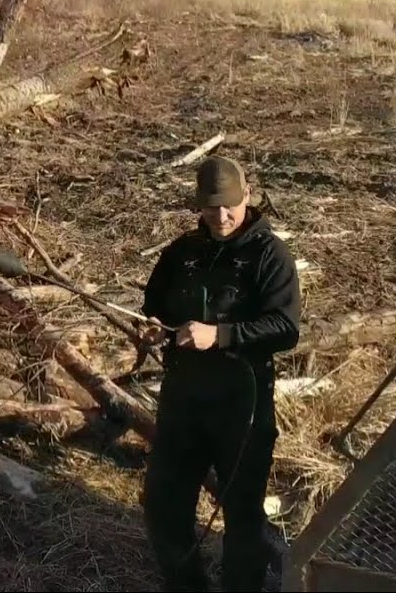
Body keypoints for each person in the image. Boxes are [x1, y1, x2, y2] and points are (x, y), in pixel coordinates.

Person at [136, 154, 302, 592]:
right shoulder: (181, 253)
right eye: (211, 208)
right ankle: (187, 584)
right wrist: (153, 329)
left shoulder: (270, 255)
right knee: (163, 503)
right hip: (184, 402)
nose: (222, 216)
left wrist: (222, 335)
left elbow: (285, 329)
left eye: (230, 205)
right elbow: (154, 309)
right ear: (198, 206)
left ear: (247, 195)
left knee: (242, 514)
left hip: (242, 406)